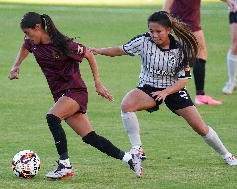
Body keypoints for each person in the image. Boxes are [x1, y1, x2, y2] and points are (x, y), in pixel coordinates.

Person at [91, 11, 237, 167]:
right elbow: (121, 49)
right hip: (148, 87)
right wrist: (99, 51)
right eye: (151, 31)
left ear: (168, 30)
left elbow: (183, 80)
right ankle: (137, 149)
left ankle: (227, 155)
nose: (154, 35)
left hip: (174, 89)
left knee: (200, 127)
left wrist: (166, 92)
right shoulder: (143, 41)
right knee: (127, 105)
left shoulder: (181, 50)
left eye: (158, 31)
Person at [8, 12, 143, 179]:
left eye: (28, 32)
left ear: (38, 27)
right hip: (61, 95)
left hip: (75, 91)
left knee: (52, 117)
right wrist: (16, 66)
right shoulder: (32, 43)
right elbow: (25, 46)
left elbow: (89, 54)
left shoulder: (64, 44)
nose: (27, 37)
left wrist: (98, 83)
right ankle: (131, 159)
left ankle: (64, 164)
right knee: (90, 137)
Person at [163, 0, 222, 105]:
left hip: (186, 19)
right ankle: (198, 95)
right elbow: (167, 5)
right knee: (195, 53)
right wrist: (165, 21)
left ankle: (170, 89)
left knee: (189, 55)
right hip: (183, 19)